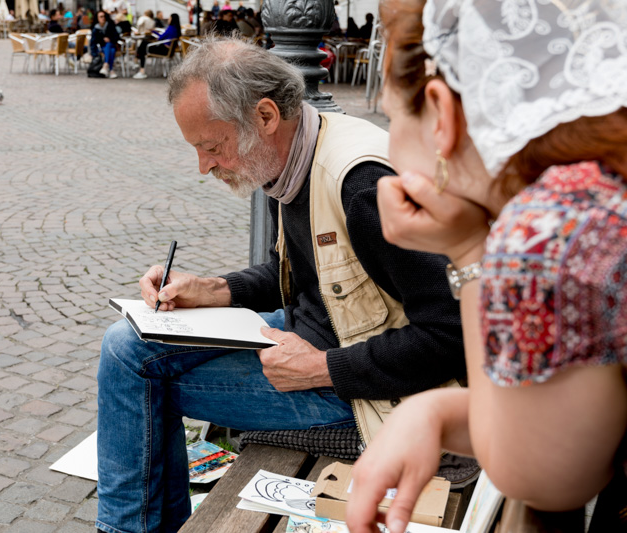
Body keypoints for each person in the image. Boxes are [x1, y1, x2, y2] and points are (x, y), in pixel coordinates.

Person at [96, 37, 466, 533]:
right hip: (314, 337)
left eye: (212, 147)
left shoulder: (360, 186)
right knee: (126, 343)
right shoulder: (294, 155)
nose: (204, 166)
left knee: (140, 379)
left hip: (363, 390)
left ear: (265, 116)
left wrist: (320, 368)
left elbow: (454, 335)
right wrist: (214, 289)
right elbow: (297, 272)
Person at [344, 1, 627, 532]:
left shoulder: (547, 232)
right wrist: (434, 412)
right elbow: (564, 421)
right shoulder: (597, 191)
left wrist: (470, 252)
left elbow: (538, 475)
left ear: (440, 114)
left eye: (391, 117)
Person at [132, 12, 180, 79]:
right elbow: (163, 37)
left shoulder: (170, 28)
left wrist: (153, 31)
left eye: (169, 18)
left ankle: (139, 66)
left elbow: (160, 38)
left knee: (143, 46)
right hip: (168, 50)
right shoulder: (176, 29)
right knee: (144, 46)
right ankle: (137, 60)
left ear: (172, 19)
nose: (168, 20)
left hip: (164, 50)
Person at [93, 10, 119, 78]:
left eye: (104, 16)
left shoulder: (110, 25)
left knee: (109, 44)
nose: (103, 18)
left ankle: (106, 65)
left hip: (112, 44)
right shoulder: (96, 28)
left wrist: (110, 39)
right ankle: (111, 70)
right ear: (97, 18)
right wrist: (103, 40)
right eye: (101, 17)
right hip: (102, 47)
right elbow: (94, 41)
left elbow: (116, 36)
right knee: (111, 51)